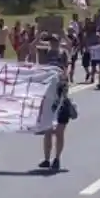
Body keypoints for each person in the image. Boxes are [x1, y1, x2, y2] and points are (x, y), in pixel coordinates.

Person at [36, 34, 73, 172]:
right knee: (47, 130)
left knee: (59, 131)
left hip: (61, 93)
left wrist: (64, 74)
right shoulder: (45, 53)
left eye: (56, 41)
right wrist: (39, 32)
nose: (53, 44)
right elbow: (32, 47)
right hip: (48, 94)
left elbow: (68, 62)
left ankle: (57, 158)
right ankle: (46, 159)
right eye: (51, 41)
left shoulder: (63, 53)